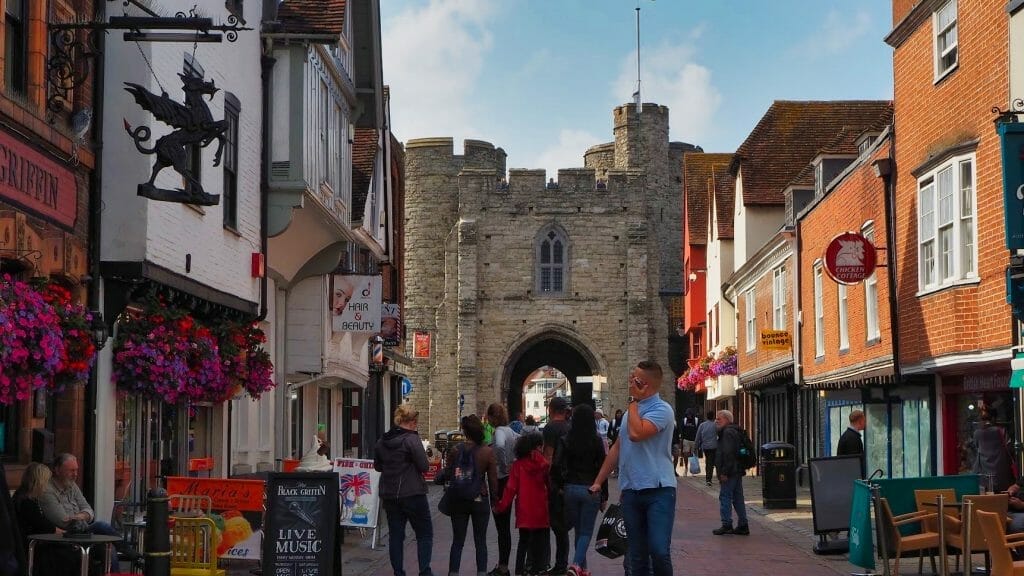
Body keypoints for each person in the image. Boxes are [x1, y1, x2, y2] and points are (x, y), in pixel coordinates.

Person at [591, 361, 676, 576]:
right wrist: (598, 481)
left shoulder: (662, 410)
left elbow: (637, 435)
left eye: (634, 378)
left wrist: (634, 401)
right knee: (636, 554)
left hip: (659, 490)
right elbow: (617, 448)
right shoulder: (631, 413)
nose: (630, 381)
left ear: (644, 384)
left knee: (658, 550)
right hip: (631, 491)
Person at [374, 405, 434, 576]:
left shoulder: (382, 441)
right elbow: (424, 466)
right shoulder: (411, 440)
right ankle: (424, 571)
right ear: (412, 422)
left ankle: (398, 572)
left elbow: (377, 466)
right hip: (413, 493)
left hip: (390, 495)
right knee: (424, 533)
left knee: (396, 536)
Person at [553, 404, 608, 575]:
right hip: (591, 488)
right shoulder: (596, 440)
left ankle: (582, 569)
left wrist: (561, 486)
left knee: (578, 530)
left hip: (571, 488)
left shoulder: (565, 439)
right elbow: (602, 468)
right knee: (585, 532)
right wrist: (604, 494)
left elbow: (556, 466)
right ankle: (576, 564)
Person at [443, 415, 499, 576]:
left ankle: (453, 572)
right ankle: (481, 572)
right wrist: (495, 500)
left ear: (464, 431)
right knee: (480, 541)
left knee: (457, 541)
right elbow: (493, 480)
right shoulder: (487, 452)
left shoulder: (455, 450)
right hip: (479, 498)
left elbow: (448, 474)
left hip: (459, 498)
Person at [494, 433, 550, 576]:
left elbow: (510, 488)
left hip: (524, 509)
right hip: (540, 508)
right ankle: (538, 570)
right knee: (539, 543)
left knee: (523, 543)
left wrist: (501, 506)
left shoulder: (518, 465)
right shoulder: (544, 464)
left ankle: (519, 572)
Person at [12, 463, 76, 576]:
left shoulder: (24, 497)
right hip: (33, 547)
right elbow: (44, 525)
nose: (47, 485)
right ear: (39, 482)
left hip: (35, 544)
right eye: (46, 481)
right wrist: (67, 534)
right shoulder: (26, 503)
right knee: (71, 555)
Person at [39, 454, 118, 537]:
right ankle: (125, 548)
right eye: (71, 470)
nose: (75, 474)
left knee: (102, 533)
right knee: (101, 526)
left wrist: (80, 516)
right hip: (66, 534)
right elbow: (63, 521)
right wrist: (84, 516)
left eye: (76, 470)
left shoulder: (72, 485)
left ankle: (123, 548)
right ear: (57, 470)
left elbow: (89, 510)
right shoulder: (47, 490)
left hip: (81, 529)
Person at [487, 403, 518, 576]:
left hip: (499, 480)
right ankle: (503, 564)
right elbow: (524, 438)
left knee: (501, 527)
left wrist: (504, 464)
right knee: (504, 526)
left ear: (493, 417)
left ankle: (503, 567)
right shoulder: (510, 430)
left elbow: (499, 446)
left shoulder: (499, 431)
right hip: (508, 479)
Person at [542, 396, 572, 576]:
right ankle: (566, 563)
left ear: (551, 410)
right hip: (570, 479)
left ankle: (558, 564)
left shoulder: (551, 427)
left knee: (556, 524)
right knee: (565, 526)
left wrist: (545, 480)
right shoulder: (570, 426)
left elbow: (548, 455)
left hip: (555, 480)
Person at [713, 410, 750, 536]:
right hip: (737, 469)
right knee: (738, 497)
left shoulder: (727, 433)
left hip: (731, 471)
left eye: (719, 419)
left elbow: (728, 454)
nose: (716, 421)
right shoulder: (735, 430)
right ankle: (743, 524)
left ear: (727, 420)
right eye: (716, 419)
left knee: (725, 496)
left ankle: (727, 523)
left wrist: (724, 472)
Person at [973, 408, 1015, 493]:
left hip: (984, 471)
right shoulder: (1001, 431)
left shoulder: (977, 433)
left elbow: (976, 447)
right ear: (994, 418)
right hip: (1002, 471)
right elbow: (1010, 448)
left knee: (987, 497)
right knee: (1004, 497)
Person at [694, 410, 718, 487]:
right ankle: (717, 476)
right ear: (713, 416)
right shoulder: (715, 425)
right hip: (715, 446)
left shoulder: (702, 425)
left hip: (706, 447)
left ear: (706, 416)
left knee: (708, 462)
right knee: (715, 462)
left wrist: (695, 447)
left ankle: (708, 479)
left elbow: (698, 437)